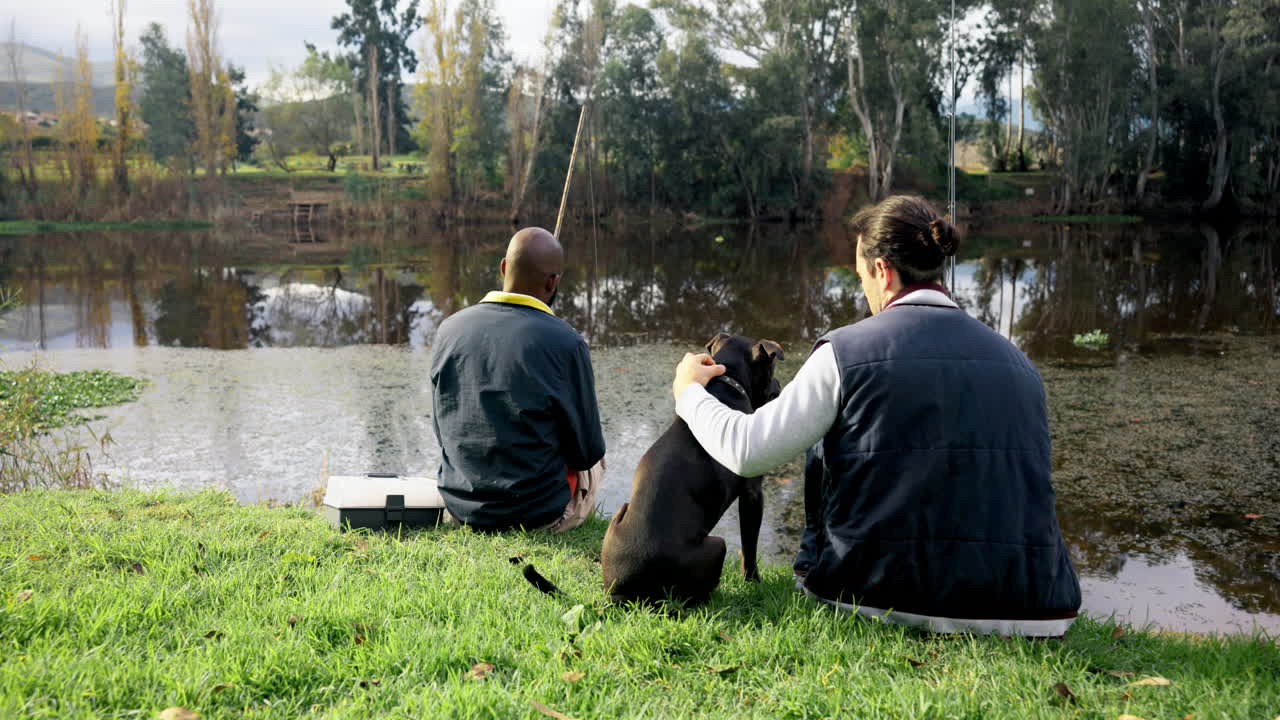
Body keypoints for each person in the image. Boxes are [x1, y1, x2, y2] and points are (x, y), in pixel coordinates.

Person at [670, 195, 1081, 636]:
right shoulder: (1020, 363)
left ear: (883, 271)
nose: (863, 287)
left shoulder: (845, 352)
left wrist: (690, 392)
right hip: (1037, 609)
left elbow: (747, 451)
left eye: (861, 274)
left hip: (873, 596)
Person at [431, 227, 606, 532]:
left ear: (503, 267)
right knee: (596, 462)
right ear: (553, 282)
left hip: (460, 509)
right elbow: (586, 452)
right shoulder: (567, 343)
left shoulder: (448, 329)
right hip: (537, 515)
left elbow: (441, 429)